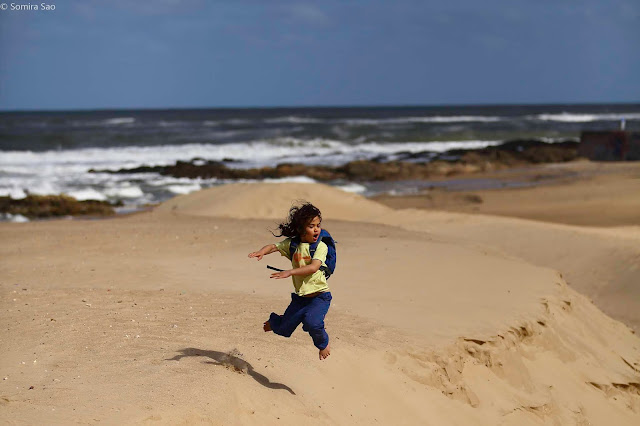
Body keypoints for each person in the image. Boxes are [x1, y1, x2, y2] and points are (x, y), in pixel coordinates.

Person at [248, 202, 332, 360]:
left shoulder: (320, 247)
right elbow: (274, 246)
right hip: (300, 299)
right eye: (311, 226)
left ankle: (323, 345)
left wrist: (290, 272)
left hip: (319, 297)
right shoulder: (293, 245)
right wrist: (262, 252)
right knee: (283, 329)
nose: (316, 229)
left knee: (313, 323)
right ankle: (276, 323)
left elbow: (313, 267)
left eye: (318, 225)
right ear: (301, 229)